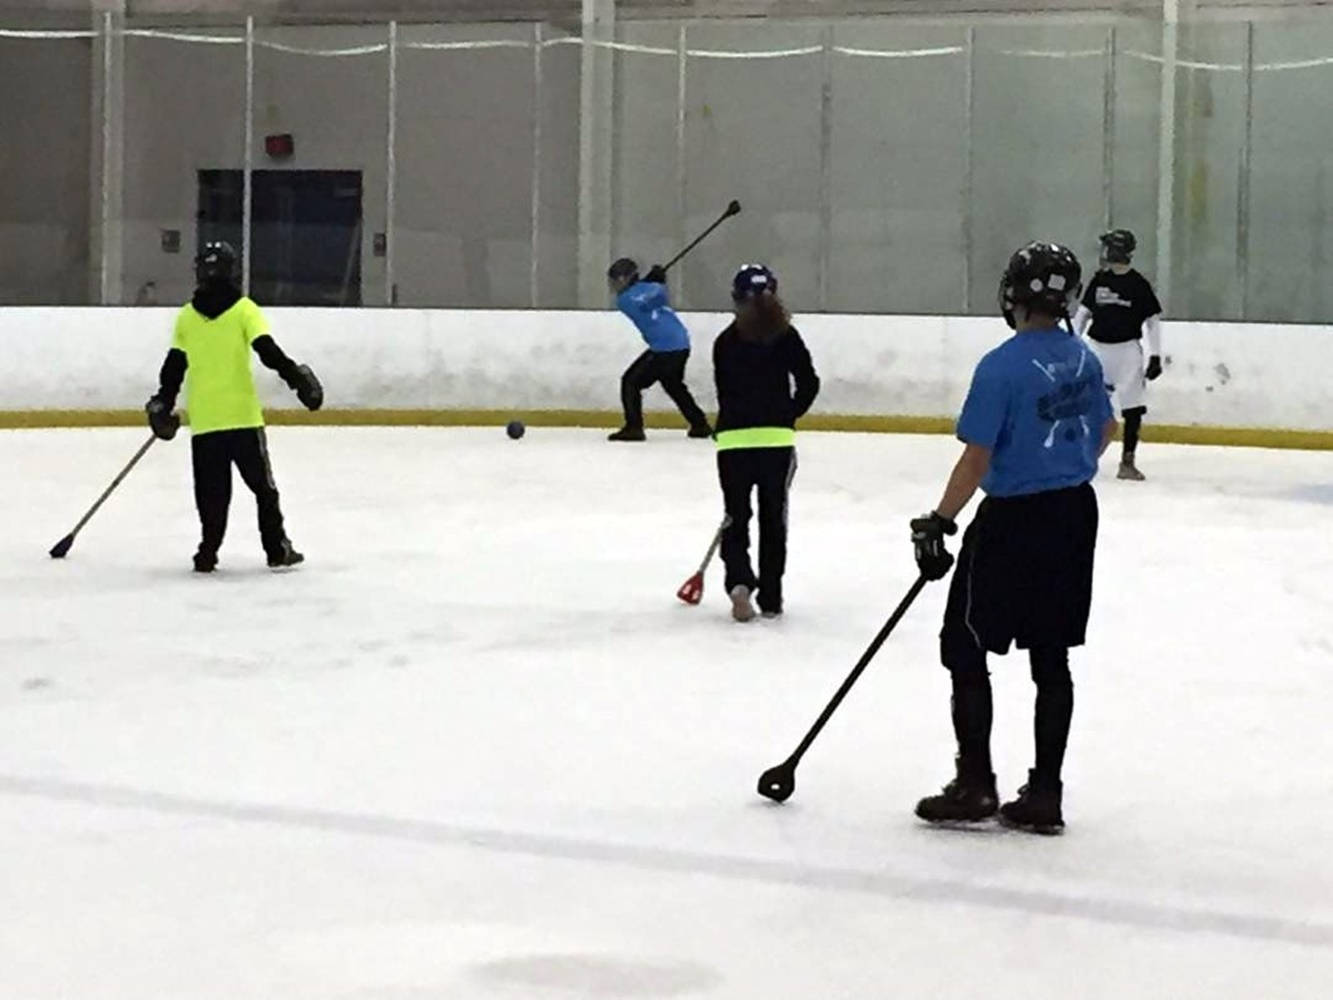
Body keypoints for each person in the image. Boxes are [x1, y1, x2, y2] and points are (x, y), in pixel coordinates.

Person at [910, 241, 1116, 834]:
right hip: (1074, 514)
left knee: (965, 643)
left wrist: (940, 520)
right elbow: (1102, 428)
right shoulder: (1083, 359)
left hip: (1012, 522)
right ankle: (1045, 793)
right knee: (1051, 657)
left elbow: (977, 459)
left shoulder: (1000, 366)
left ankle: (975, 782)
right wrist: (1065, 468)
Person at [146, 241, 323, 573]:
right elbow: (267, 351)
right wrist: (295, 378)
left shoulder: (187, 317)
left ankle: (207, 553)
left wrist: (162, 402)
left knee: (211, 496)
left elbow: (174, 368)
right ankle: (277, 549)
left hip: (207, 423)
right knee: (263, 489)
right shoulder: (244, 309)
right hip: (242, 419)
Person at [713, 264, 820, 622]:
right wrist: (789, 413)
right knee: (774, 519)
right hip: (775, 441)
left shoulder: (725, 342)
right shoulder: (786, 337)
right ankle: (771, 596)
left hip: (732, 441)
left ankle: (739, 583)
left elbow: (725, 394)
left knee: (735, 515)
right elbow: (809, 382)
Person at [1071, 229, 1164, 481]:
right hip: (1098, 349)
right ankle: (1082, 455)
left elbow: (1152, 319)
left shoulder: (1138, 284)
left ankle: (1127, 461)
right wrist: (1073, 343)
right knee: (1090, 406)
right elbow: (1082, 314)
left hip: (1128, 352)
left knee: (1133, 408)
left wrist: (1155, 355)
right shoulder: (1099, 280)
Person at [606, 257, 712, 442]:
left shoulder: (632, 295)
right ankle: (699, 424)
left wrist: (655, 281)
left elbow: (652, 297)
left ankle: (634, 427)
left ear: (628, 278)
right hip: (679, 343)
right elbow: (649, 298)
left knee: (630, 382)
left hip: (666, 347)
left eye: (618, 279)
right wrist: (656, 281)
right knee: (673, 385)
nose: (614, 285)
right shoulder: (625, 300)